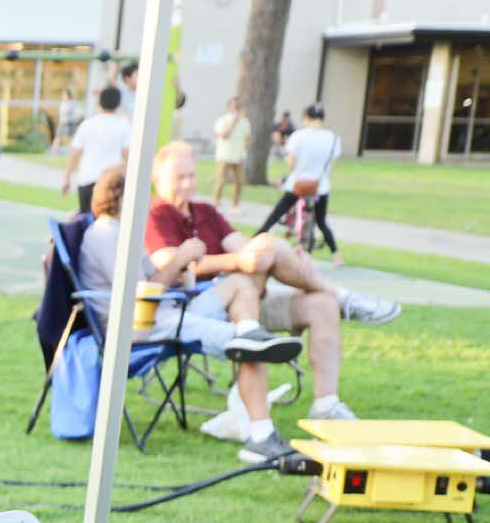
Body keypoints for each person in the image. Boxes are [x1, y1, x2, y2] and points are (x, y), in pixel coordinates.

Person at [144, 141, 398, 459]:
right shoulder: (155, 214)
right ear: (157, 178)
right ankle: (344, 296)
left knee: (321, 303)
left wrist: (281, 257)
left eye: (192, 175)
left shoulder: (205, 212)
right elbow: (170, 265)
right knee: (263, 261)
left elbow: (247, 249)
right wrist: (241, 261)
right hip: (203, 306)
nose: (187, 184)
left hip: (247, 293)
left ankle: (326, 405)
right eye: (179, 177)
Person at [76, 167, 305, 415]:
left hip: (164, 311)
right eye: (141, 194)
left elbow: (153, 279)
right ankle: (247, 347)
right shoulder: (105, 235)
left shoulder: (123, 232)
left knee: (238, 284)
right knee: (238, 342)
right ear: (122, 198)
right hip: (140, 325)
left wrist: (182, 267)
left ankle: (250, 333)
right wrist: (179, 258)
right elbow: (141, 295)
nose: (147, 201)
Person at [256, 104, 344, 263]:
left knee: (276, 215)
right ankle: (336, 255)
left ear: (306, 118)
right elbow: (331, 165)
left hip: (297, 183)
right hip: (320, 186)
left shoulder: (298, 136)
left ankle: (254, 242)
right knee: (321, 221)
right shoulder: (333, 138)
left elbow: (291, 161)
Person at [61, 85, 129, 215]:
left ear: (99, 102)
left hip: (87, 179)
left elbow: (75, 154)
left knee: (87, 220)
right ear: (119, 103)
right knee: (109, 221)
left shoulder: (87, 124)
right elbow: (128, 155)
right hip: (111, 182)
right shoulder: (124, 125)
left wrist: (66, 177)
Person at [211, 96, 251, 208]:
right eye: (235, 106)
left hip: (239, 156)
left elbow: (247, 139)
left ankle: (235, 204)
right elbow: (223, 135)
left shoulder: (245, 122)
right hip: (224, 155)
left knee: (239, 181)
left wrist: (244, 153)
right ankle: (216, 202)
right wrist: (234, 123)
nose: (237, 108)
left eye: (239, 106)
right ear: (229, 107)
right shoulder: (222, 120)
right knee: (221, 180)